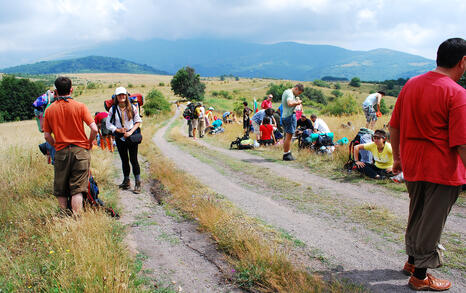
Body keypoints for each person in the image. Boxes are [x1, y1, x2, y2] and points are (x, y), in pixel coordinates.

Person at [389, 38, 466, 291]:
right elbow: (462, 143)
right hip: (442, 168)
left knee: (418, 213)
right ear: (462, 62)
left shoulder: (411, 84)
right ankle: (420, 276)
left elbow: (395, 125)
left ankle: (412, 262)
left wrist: (397, 158)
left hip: (413, 162)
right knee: (432, 220)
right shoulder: (457, 93)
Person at [43, 77, 98, 214]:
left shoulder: (49, 110)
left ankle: (64, 216)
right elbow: (95, 129)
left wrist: (56, 146)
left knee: (61, 188)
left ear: (56, 91)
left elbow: (46, 135)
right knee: (77, 188)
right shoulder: (80, 106)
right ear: (71, 89)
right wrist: (89, 142)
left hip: (61, 152)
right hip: (80, 151)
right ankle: (76, 219)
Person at [106, 87, 143, 194]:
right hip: (120, 138)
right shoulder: (113, 109)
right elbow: (109, 124)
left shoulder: (132, 107)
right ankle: (126, 181)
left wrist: (130, 132)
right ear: (116, 97)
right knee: (124, 160)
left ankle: (137, 183)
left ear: (126, 95)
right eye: (119, 95)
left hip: (131, 137)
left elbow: (138, 121)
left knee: (133, 159)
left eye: (123, 94)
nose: (121, 97)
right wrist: (117, 130)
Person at [282, 84, 304, 161]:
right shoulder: (290, 94)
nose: (299, 94)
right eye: (299, 93)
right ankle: (286, 154)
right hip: (290, 116)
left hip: (284, 116)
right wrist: (298, 103)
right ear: (296, 88)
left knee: (287, 137)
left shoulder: (286, 91)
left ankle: (287, 152)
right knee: (289, 138)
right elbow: (289, 103)